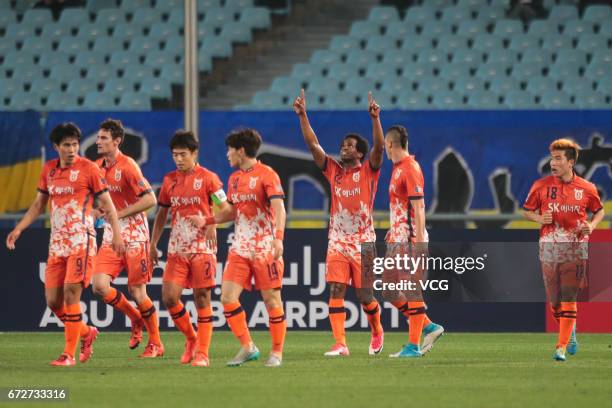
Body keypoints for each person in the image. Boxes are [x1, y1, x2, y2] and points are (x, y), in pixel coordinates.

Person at [6, 122, 124, 366]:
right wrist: (19, 228)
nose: (72, 149)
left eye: (75, 144)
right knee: (53, 301)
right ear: (56, 147)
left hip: (82, 240)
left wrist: (117, 235)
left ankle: (68, 354)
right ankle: (85, 332)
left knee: (72, 294)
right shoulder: (48, 170)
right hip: (57, 244)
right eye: (66, 145)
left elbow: (108, 204)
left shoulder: (89, 169)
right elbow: (39, 205)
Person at [293, 89, 385, 357]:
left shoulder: (369, 171)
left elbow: (379, 148)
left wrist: (375, 118)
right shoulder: (333, 170)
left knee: (365, 297)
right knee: (335, 288)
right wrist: (303, 115)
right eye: (343, 144)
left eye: (349, 145)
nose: (343, 147)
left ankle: (377, 331)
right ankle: (340, 343)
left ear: (359, 153)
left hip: (365, 243)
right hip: (338, 241)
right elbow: (313, 145)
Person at [192, 128, 287, 367]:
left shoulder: (268, 174)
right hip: (240, 248)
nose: (227, 155)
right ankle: (247, 346)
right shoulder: (234, 179)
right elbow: (232, 212)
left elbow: (279, 209)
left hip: (265, 248)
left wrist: (278, 238)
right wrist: (208, 220)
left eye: (230, 150)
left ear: (241, 151)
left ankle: (276, 353)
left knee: (272, 300)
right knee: (227, 298)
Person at [150, 130, 229, 367]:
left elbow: (225, 208)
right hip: (177, 248)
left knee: (202, 297)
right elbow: (162, 213)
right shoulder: (168, 181)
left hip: (203, 247)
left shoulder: (209, 178)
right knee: (169, 297)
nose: (178, 159)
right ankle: (191, 339)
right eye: (175, 155)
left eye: (183, 154)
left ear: (194, 153)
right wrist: (153, 243)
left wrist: (211, 222)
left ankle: (203, 353)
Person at [523, 138, 604, 361]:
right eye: (552, 158)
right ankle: (570, 330)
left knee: (569, 297)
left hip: (575, 247)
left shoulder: (587, 188)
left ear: (570, 162)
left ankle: (560, 347)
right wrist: (539, 217)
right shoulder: (540, 186)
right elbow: (526, 211)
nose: (553, 163)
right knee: (554, 302)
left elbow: (599, 211)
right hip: (549, 247)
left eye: (558, 158)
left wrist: (592, 225)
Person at [91, 118, 162, 358]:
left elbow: (150, 200)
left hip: (135, 236)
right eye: (98, 137)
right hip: (111, 235)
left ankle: (156, 344)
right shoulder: (96, 167)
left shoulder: (129, 166)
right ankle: (135, 318)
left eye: (103, 138)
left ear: (117, 141)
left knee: (137, 292)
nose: (98, 142)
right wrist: (93, 212)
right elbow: (96, 202)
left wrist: (117, 214)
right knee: (99, 286)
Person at [383, 124, 444, 358]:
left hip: (410, 239)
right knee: (389, 290)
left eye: (386, 147)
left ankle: (413, 346)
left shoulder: (410, 168)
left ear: (390, 145)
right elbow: (401, 207)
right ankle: (429, 326)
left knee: (411, 290)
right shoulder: (397, 168)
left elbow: (419, 207)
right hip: (397, 238)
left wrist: (418, 242)